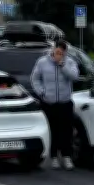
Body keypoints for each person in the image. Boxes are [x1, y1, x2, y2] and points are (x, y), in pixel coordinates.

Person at [30, 40, 79, 170]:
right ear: (54, 49)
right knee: (53, 130)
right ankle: (54, 157)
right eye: (57, 51)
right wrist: (42, 92)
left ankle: (67, 156)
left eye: (62, 52)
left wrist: (62, 64)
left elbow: (74, 76)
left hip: (65, 102)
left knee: (66, 131)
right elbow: (35, 79)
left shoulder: (69, 62)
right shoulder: (42, 62)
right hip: (49, 103)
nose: (59, 53)